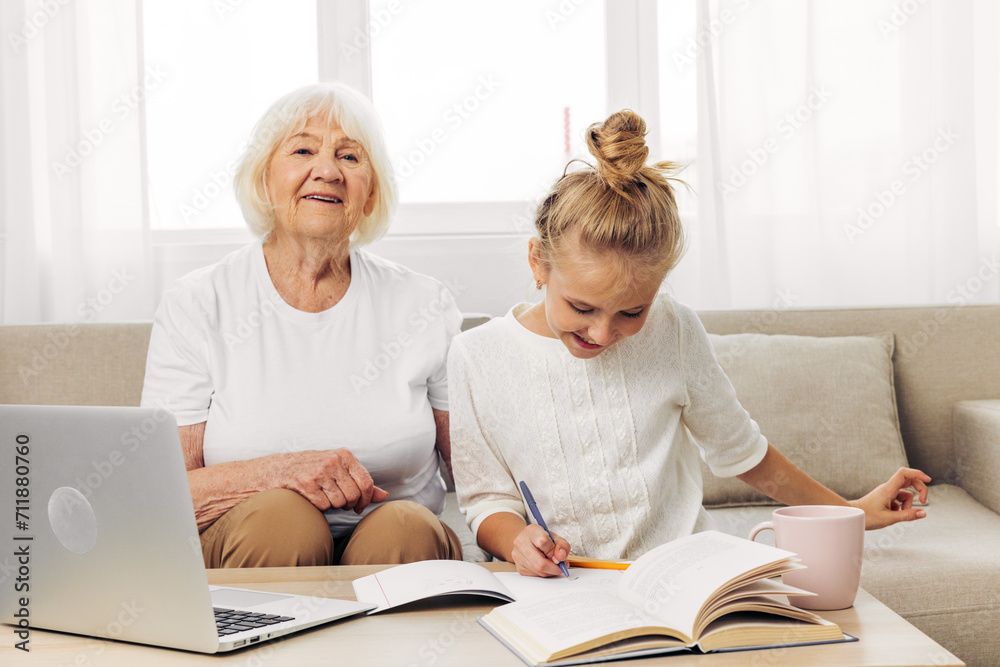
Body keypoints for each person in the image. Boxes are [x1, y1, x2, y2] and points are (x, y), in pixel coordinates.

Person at [449, 109, 930, 577]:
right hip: (563, 588)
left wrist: (851, 512)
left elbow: (745, 453)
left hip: (681, 578)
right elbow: (487, 500)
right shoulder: (477, 357)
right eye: (581, 307)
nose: (601, 334)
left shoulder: (673, 330)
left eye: (632, 312)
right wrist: (516, 541)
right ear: (538, 263)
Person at [141, 82, 462, 568]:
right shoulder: (197, 303)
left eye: (351, 158)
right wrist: (283, 472)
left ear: (371, 192)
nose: (328, 171)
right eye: (303, 149)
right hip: (253, 543)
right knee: (282, 521)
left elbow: (477, 472)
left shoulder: (423, 303)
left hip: (398, 550)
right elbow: (161, 491)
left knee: (406, 526)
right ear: (264, 179)